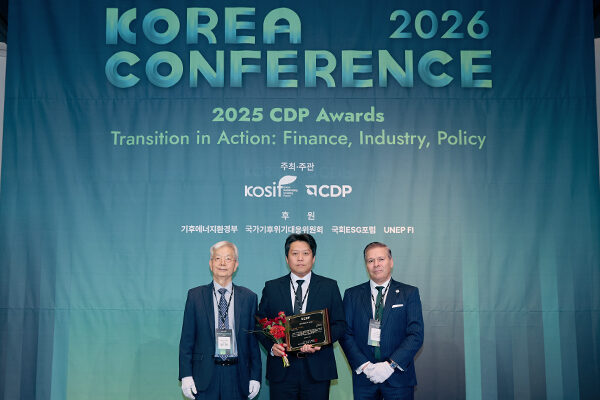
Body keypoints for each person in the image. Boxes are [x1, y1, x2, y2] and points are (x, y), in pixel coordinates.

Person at [257, 233, 346, 400]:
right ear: (287, 258)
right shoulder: (272, 287)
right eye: (295, 253)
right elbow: (260, 323)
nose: (300, 258)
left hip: (318, 368)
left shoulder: (329, 286)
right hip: (282, 369)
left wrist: (321, 342)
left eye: (305, 253)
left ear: (313, 258)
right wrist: (272, 347)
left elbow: (340, 324)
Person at [340, 242, 424, 400]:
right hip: (365, 378)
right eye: (370, 260)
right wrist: (365, 366)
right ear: (366, 265)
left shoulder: (409, 293)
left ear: (391, 262)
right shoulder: (352, 294)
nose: (376, 264)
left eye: (381, 259)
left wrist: (390, 365)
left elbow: (416, 334)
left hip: (398, 378)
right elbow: (345, 334)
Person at [178, 241, 262, 400]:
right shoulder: (195, 296)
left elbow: (253, 342)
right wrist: (186, 375)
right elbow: (187, 340)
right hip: (204, 375)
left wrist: (255, 376)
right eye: (218, 258)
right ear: (211, 264)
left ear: (235, 265)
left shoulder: (249, 297)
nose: (223, 263)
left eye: (228, 259)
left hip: (238, 375)